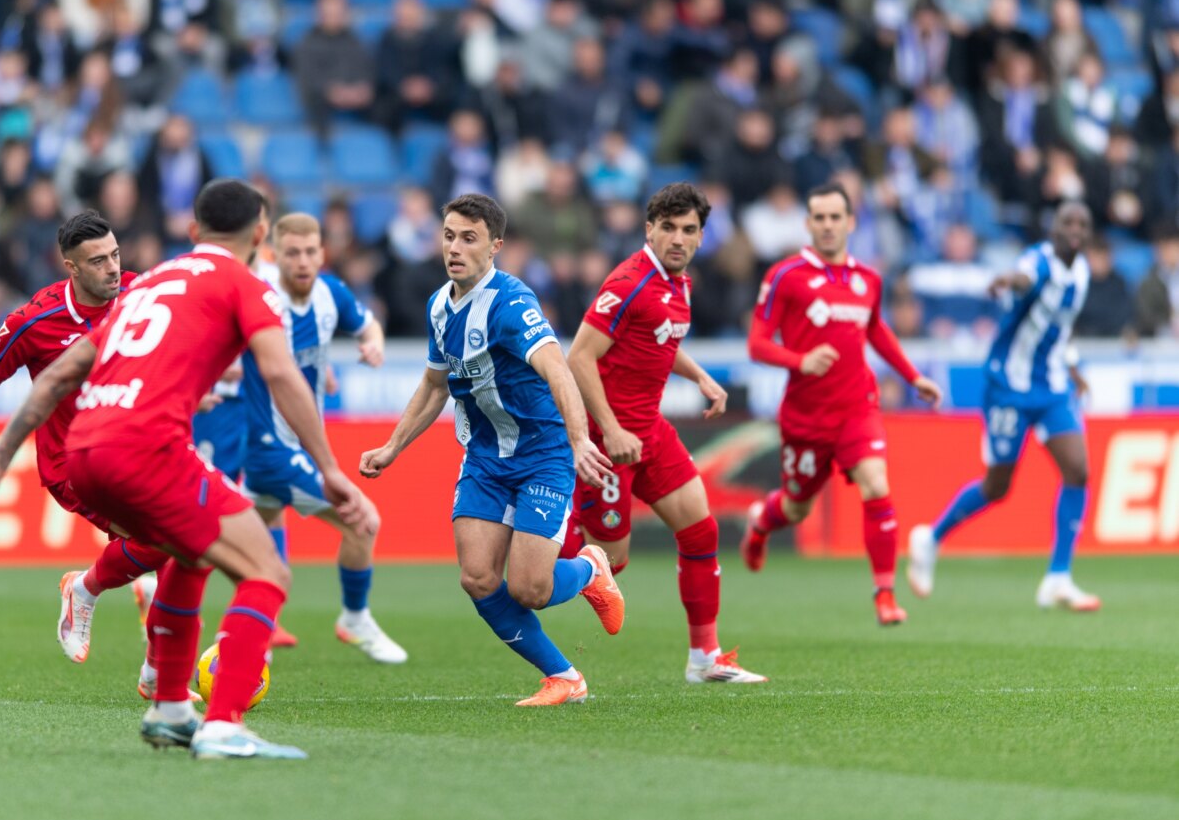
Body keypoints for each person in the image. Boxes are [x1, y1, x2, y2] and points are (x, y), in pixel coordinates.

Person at [0, 179, 373, 759]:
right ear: (260, 234)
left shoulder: (146, 282)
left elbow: (58, 376)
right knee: (267, 572)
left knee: (190, 552)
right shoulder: (244, 283)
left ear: (193, 231)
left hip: (85, 449)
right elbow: (281, 375)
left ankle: (171, 705)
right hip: (147, 448)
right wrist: (328, 468)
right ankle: (225, 723)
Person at [359, 194, 621, 706]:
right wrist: (393, 446)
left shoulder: (511, 303)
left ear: (496, 246)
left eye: (469, 238)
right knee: (478, 578)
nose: (455, 248)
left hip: (542, 453)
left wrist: (578, 439)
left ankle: (590, 568)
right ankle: (565, 677)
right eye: (449, 235)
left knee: (530, 590)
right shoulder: (440, 304)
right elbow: (436, 386)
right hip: (484, 456)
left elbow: (557, 369)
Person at [0, 211, 172, 663]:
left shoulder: (139, 293)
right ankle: (85, 591)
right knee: (164, 540)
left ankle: (158, 669)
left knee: (168, 549)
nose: (113, 268)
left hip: (136, 451)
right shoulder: (35, 321)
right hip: (73, 464)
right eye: (98, 261)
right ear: (70, 267)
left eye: (115, 255)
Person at [561, 183, 767, 685]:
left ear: (701, 236)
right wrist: (608, 430)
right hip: (610, 441)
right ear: (649, 228)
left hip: (649, 432)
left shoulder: (679, 284)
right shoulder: (629, 282)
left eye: (689, 229)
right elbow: (578, 357)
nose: (678, 238)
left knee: (701, 529)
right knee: (611, 562)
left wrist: (698, 376)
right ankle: (542, 547)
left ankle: (705, 658)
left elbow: (658, 339)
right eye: (668, 227)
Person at [742, 182, 943, 626]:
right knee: (796, 507)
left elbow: (876, 331)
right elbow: (757, 344)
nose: (828, 225)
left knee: (876, 484)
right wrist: (801, 360)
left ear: (851, 223)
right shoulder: (784, 276)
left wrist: (913, 377)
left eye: (836, 217)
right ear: (808, 223)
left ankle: (885, 595)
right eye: (820, 217)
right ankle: (760, 525)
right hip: (806, 417)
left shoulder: (868, 279)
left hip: (858, 408)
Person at [909, 201, 1099, 612]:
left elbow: (1059, 326)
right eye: (1068, 221)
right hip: (1008, 387)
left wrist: (1072, 364)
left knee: (1078, 469)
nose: (1075, 229)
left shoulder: (1082, 271)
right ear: (1053, 226)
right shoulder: (1038, 261)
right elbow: (1025, 277)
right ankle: (931, 538)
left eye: (1082, 224)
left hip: (1050, 386)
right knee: (998, 487)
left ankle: (1058, 577)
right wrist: (1008, 280)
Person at [242, 213, 407, 664]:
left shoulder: (331, 293)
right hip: (269, 447)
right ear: (276, 255)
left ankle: (258, 630)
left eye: (310, 252)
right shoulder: (261, 298)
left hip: (293, 444)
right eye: (292, 253)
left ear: (322, 252)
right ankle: (354, 618)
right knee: (363, 520)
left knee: (266, 525)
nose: (303, 261)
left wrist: (373, 343)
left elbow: (368, 324)